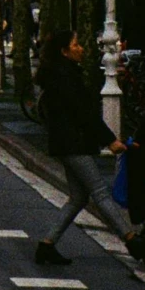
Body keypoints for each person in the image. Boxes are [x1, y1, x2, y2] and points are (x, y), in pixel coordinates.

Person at [32, 28, 132, 266]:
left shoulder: (60, 75)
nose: (81, 49)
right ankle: (132, 239)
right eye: (75, 45)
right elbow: (84, 114)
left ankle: (47, 245)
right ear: (64, 51)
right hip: (73, 142)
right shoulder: (66, 78)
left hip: (65, 142)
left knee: (78, 198)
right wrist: (110, 140)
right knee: (99, 192)